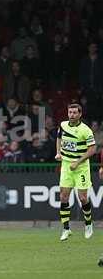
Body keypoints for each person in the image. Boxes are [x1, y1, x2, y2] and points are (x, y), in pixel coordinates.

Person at [55, 103, 96, 241]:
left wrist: (77, 162)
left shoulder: (86, 130)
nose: (71, 115)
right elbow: (59, 138)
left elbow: (92, 149)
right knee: (63, 197)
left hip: (81, 167)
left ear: (80, 114)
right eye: (70, 112)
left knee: (83, 198)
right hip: (67, 165)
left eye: (74, 112)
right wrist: (58, 153)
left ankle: (88, 224)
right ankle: (66, 229)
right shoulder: (63, 125)